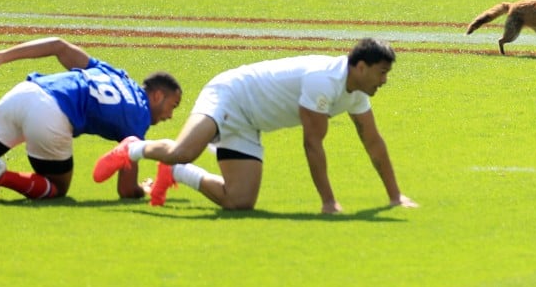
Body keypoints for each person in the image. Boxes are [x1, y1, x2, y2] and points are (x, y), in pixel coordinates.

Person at [93, 37, 418, 212]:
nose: (384, 80)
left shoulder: (357, 92)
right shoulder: (324, 81)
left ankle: (175, 173)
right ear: (360, 67)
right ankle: (132, 149)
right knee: (183, 150)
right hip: (230, 95)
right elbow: (312, 143)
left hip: (251, 123)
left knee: (239, 202)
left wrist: (395, 196)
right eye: (382, 73)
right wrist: (329, 201)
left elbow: (373, 143)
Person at [0, 37, 182, 203]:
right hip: (51, 112)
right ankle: (2, 177)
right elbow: (126, 189)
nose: (170, 116)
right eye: (172, 106)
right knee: (57, 187)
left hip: (24, 92)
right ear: (157, 96)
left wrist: (2, 55)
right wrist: (144, 190)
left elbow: (58, 45)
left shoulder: (113, 74)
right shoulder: (139, 115)